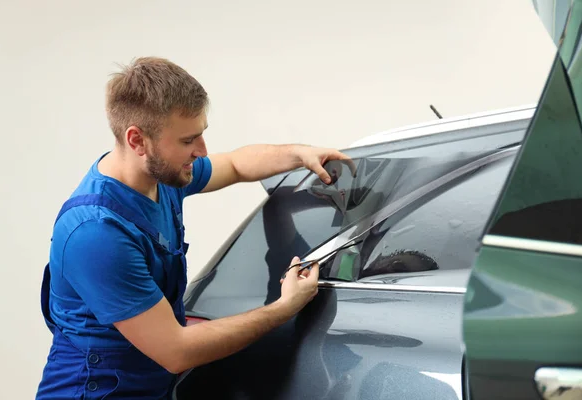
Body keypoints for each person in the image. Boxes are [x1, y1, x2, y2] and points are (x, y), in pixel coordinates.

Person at [35, 56, 352, 399]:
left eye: (201, 135)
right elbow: (177, 351)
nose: (201, 151)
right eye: (188, 141)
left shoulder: (163, 176)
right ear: (137, 140)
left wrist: (300, 154)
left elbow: (234, 164)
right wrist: (284, 308)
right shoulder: (97, 233)